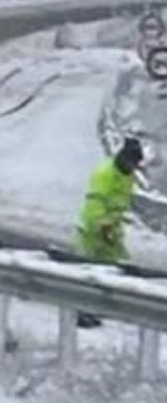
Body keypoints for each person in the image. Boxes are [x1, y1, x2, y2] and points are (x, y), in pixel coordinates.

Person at [74, 138, 144, 326]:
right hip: (92, 229)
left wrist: (114, 227)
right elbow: (95, 204)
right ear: (123, 159)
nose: (134, 168)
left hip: (111, 230)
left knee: (114, 270)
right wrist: (101, 227)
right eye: (133, 163)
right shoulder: (105, 173)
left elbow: (119, 202)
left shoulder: (126, 175)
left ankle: (99, 309)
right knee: (89, 271)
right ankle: (82, 312)